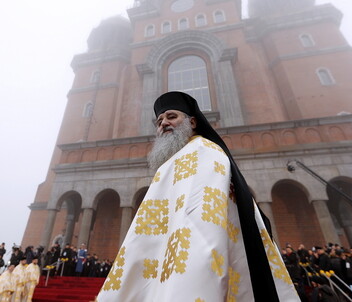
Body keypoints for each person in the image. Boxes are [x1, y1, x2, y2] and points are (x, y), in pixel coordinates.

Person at [96, 91, 299, 301]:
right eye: (159, 121)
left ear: (192, 122)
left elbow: (200, 222)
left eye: (171, 117)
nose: (164, 123)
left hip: (192, 259)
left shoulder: (203, 151)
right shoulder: (176, 158)